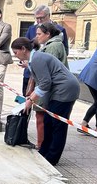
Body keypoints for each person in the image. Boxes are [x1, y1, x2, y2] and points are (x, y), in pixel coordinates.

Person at [12, 37, 80, 166]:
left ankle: (52, 158)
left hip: (65, 91)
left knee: (57, 125)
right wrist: (31, 97)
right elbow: (43, 82)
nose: (15, 56)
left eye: (16, 52)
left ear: (23, 49)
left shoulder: (37, 59)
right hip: (58, 91)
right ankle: (44, 152)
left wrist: (31, 100)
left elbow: (45, 83)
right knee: (48, 122)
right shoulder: (34, 59)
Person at [26, 22, 68, 150]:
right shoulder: (51, 45)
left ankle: (42, 145)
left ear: (48, 34)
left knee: (42, 117)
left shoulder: (53, 46)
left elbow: (47, 71)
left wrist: (34, 94)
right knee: (43, 117)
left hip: (51, 88)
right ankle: (43, 145)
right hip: (50, 88)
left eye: (39, 34)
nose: (37, 37)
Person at [22, 5, 68, 96]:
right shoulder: (32, 29)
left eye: (41, 18)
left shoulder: (60, 30)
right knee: (25, 99)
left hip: (49, 75)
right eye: (37, 18)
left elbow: (65, 50)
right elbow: (26, 47)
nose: (39, 21)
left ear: (48, 15)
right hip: (30, 71)